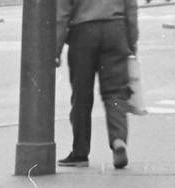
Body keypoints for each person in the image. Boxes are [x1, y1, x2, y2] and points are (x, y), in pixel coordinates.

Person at [56, 0, 138, 169]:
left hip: (83, 32)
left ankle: (80, 153)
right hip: (116, 30)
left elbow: (62, 13)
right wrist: (131, 42)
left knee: (81, 94)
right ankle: (118, 140)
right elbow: (131, 7)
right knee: (115, 92)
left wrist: (55, 50)